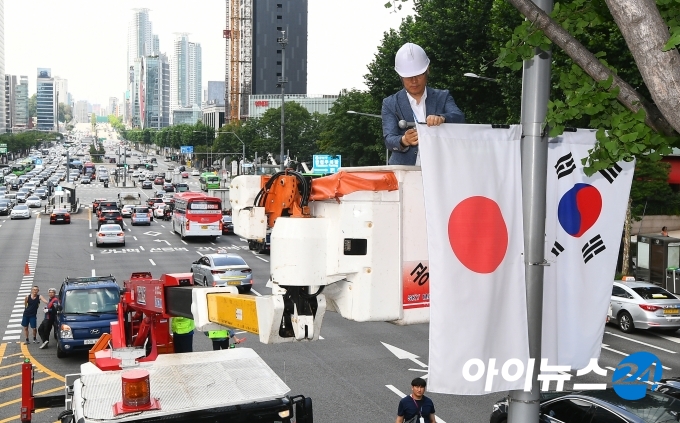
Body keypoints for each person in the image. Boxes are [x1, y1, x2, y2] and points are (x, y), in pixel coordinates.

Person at [382, 42, 465, 166]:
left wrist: (442, 118)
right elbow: (389, 139)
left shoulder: (443, 96)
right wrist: (404, 140)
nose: (414, 81)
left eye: (419, 74)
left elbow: (459, 118)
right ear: (400, 76)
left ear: (427, 71)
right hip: (404, 170)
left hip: (440, 167)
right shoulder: (390, 103)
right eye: (408, 76)